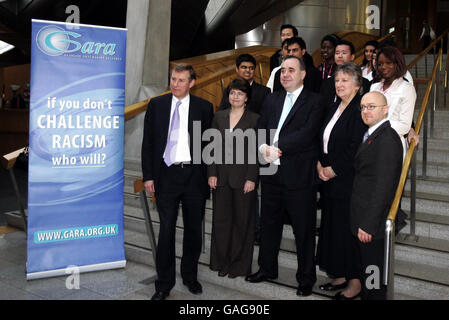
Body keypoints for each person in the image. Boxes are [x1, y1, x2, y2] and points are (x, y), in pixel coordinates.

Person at [245, 56, 325, 297]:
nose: (285, 74)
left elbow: (308, 133)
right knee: (269, 226)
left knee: (303, 230)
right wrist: (262, 148)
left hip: (299, 176)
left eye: (291, 70)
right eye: (282, 71)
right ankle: (266, 268)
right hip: (271, 173)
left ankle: (305, 278)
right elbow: (261, 128)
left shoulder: (315, 101)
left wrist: (276, 147)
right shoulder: (272, 98)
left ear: (302, 74)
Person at [141, 63, 214, 300]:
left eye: (181, 80)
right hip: (166, 175)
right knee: (167, 230)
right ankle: (164, 283)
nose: (175, 84)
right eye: (173, 79)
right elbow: (148, 143)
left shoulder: (204, 107)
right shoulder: (157, 105)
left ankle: (190, 275)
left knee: (193, 230)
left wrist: (209, 174)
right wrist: (149, 175)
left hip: (194, 176)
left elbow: (208, 146)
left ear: (192, 83)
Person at [316, 62, 367, 300]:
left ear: (358, 85)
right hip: (328, 179)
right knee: (333, 229)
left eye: (345, 80)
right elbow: (322, 138)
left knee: (347, 232)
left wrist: (333, 169)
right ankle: (339, 274)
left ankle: (355, 282)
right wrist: (319, 163)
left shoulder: (360, 109)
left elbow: (355, 146)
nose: (339, 84)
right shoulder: (334, 106)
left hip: (347, 180)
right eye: (337, 80)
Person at [350, 91, 403, 300]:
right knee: (368, 277)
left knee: (373, 281)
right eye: (363, 107)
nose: (366, 111)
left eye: (372, 106)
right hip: (364, 219)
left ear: (385, 109)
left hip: (373, 226)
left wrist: (369, 224)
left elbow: (384, 186)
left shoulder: (387, 139)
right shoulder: (373, 134)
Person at [208, 78, 260, 278]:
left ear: (246, 97)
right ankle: (221, 262)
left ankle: (238, 265)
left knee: (242, 223)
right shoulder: (219, 117)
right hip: (220, 178)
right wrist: (211, 173)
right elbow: (210, 148)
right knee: (221, 222)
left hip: (243, 179)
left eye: (240, 93)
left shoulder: (255, 119)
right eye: (232, 93)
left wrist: (251, 178)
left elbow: (257, 152)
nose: (235, 96)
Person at [370, 46, 417, 157]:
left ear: (397, 64)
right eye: (380, 64)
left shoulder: (407, 89)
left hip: (392, 144)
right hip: (371, 142)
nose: (383, 67)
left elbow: (404, 125)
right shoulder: (374, 87)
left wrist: (376, 126)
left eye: (388, 63)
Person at [320, 40, 371, 110]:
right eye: (337, 53)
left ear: (352, 57)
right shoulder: (327, 82)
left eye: (344, 53)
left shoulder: (363, 82)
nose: (340, 56)